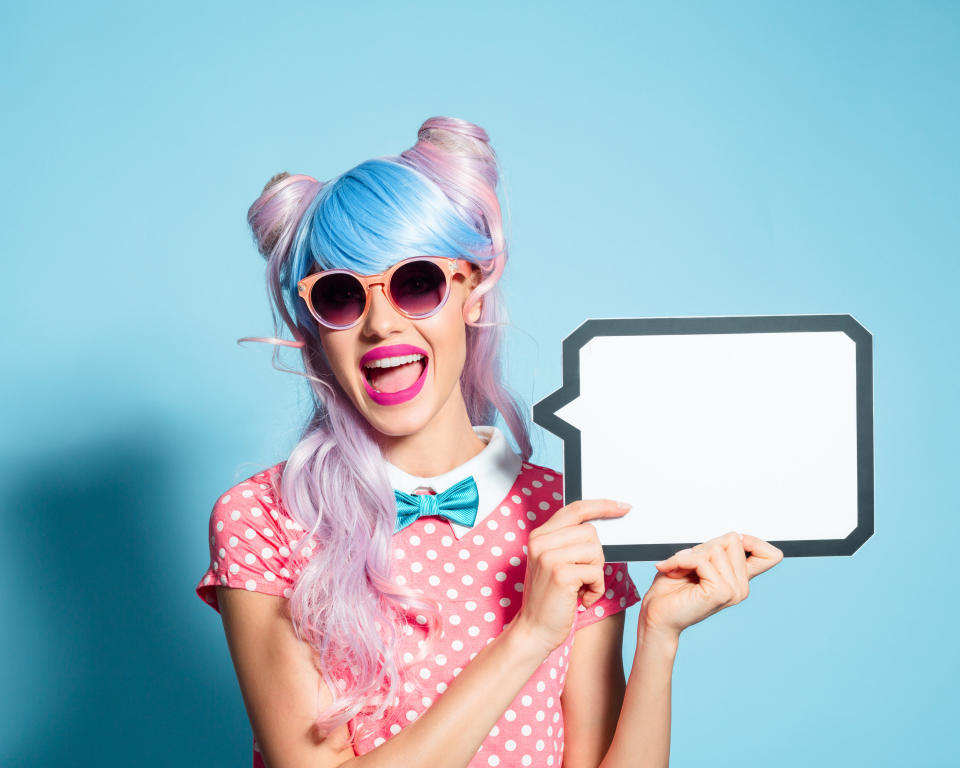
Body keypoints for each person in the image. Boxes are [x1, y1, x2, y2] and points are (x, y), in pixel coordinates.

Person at [196, 116, 783, 768]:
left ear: (472, 290)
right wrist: (529, 635)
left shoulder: (568, 517)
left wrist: (660, 635)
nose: (382, 324)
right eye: (341, 297)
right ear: (313, 327)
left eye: (416, 282)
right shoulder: (263, 520)